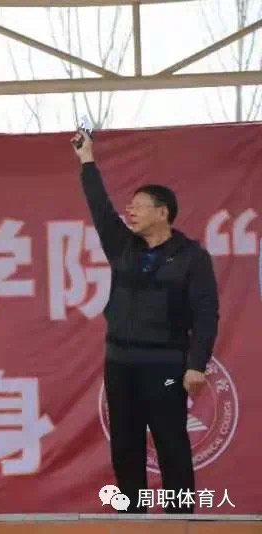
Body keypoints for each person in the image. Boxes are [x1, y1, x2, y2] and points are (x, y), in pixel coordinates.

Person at [71, 129, 219, 514]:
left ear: (162, 212)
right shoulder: (123, 247)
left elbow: (206, 313)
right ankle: (132, 517)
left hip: (166, 365)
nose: (130, 212)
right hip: (120, 363)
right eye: (130, 206)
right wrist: (87, 160)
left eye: (138, 206)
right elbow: (100, 208)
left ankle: (181, 519)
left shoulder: (191, 257)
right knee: (125, 444)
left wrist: (196, 364)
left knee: (171, 443)